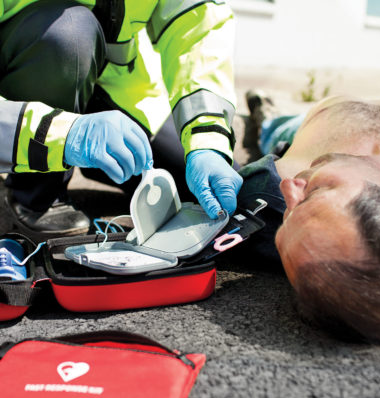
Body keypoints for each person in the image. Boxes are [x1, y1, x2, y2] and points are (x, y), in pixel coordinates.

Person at [0, 1, 242, 241]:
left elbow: (197, 27)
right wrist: (60, 135)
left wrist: (208, 140)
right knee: (69, 33)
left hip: (120, 89)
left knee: (216, 189)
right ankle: (36, 194)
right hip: (27, 72)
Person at [238, 93, 380, 342]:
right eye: (316, 191)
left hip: (300, 127)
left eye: (284, 219)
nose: (288, 187)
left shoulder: (263, 192)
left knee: (275, 127)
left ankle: (268, 117)